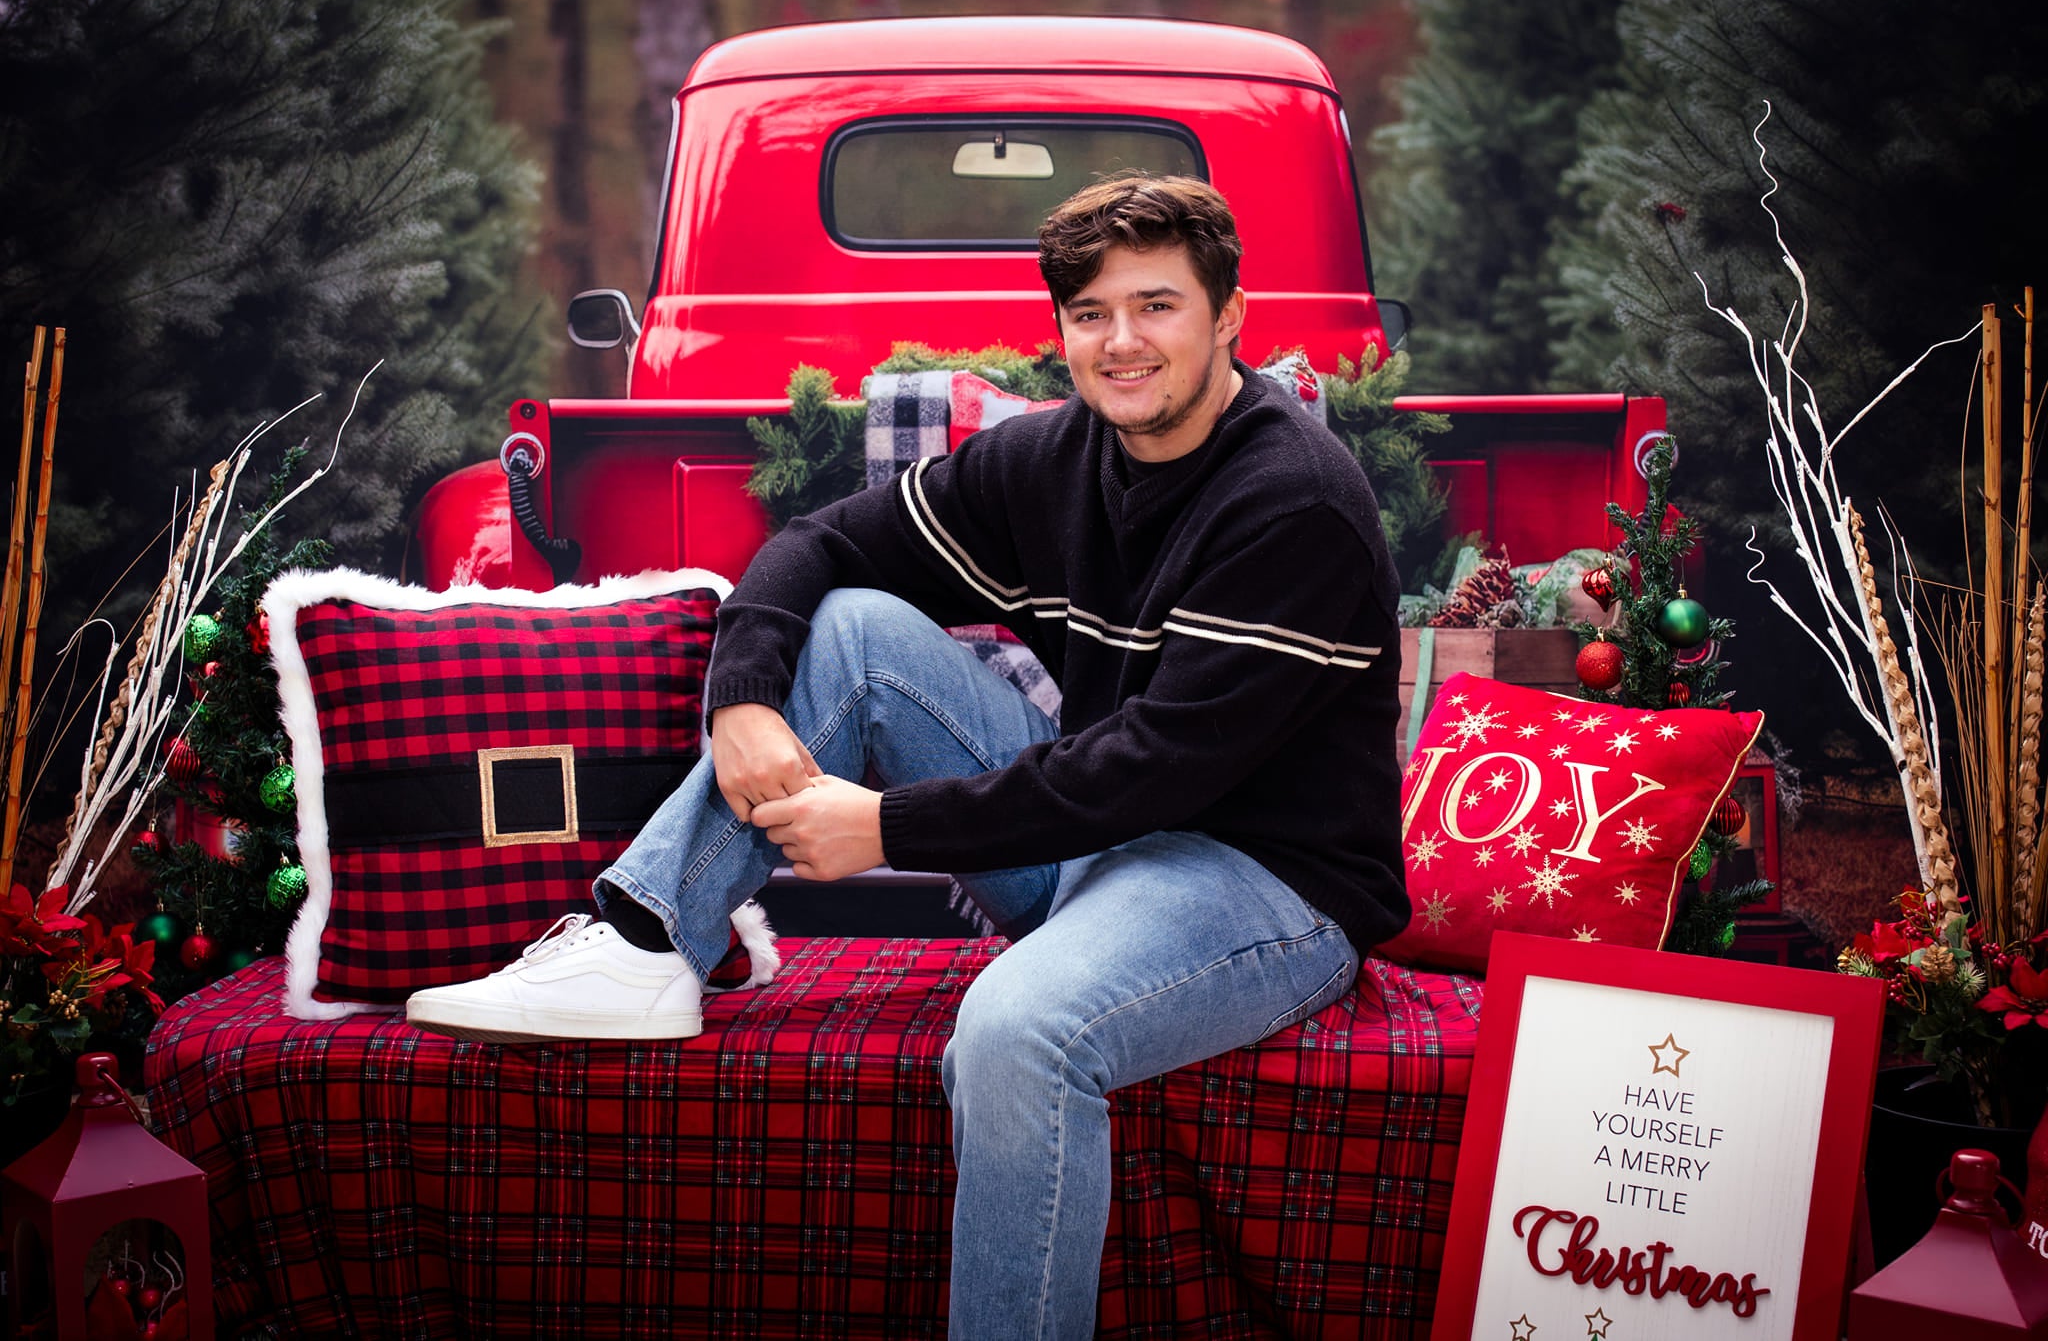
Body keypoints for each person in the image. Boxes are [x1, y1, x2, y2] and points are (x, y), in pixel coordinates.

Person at [406, 173, 1409, 1338]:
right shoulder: (1053, 459)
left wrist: (885, 828)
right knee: (852, 632)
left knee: (1015, 1030)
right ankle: (644, 942)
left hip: (1262, 884)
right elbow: (821, 540)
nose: (1121, 342)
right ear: (1062, 331)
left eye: (1157, 306)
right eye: (1090, 315)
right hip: (1096, 850)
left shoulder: (1290, 500)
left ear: (1228, 316)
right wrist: (738, 699)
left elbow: (1154, 768)